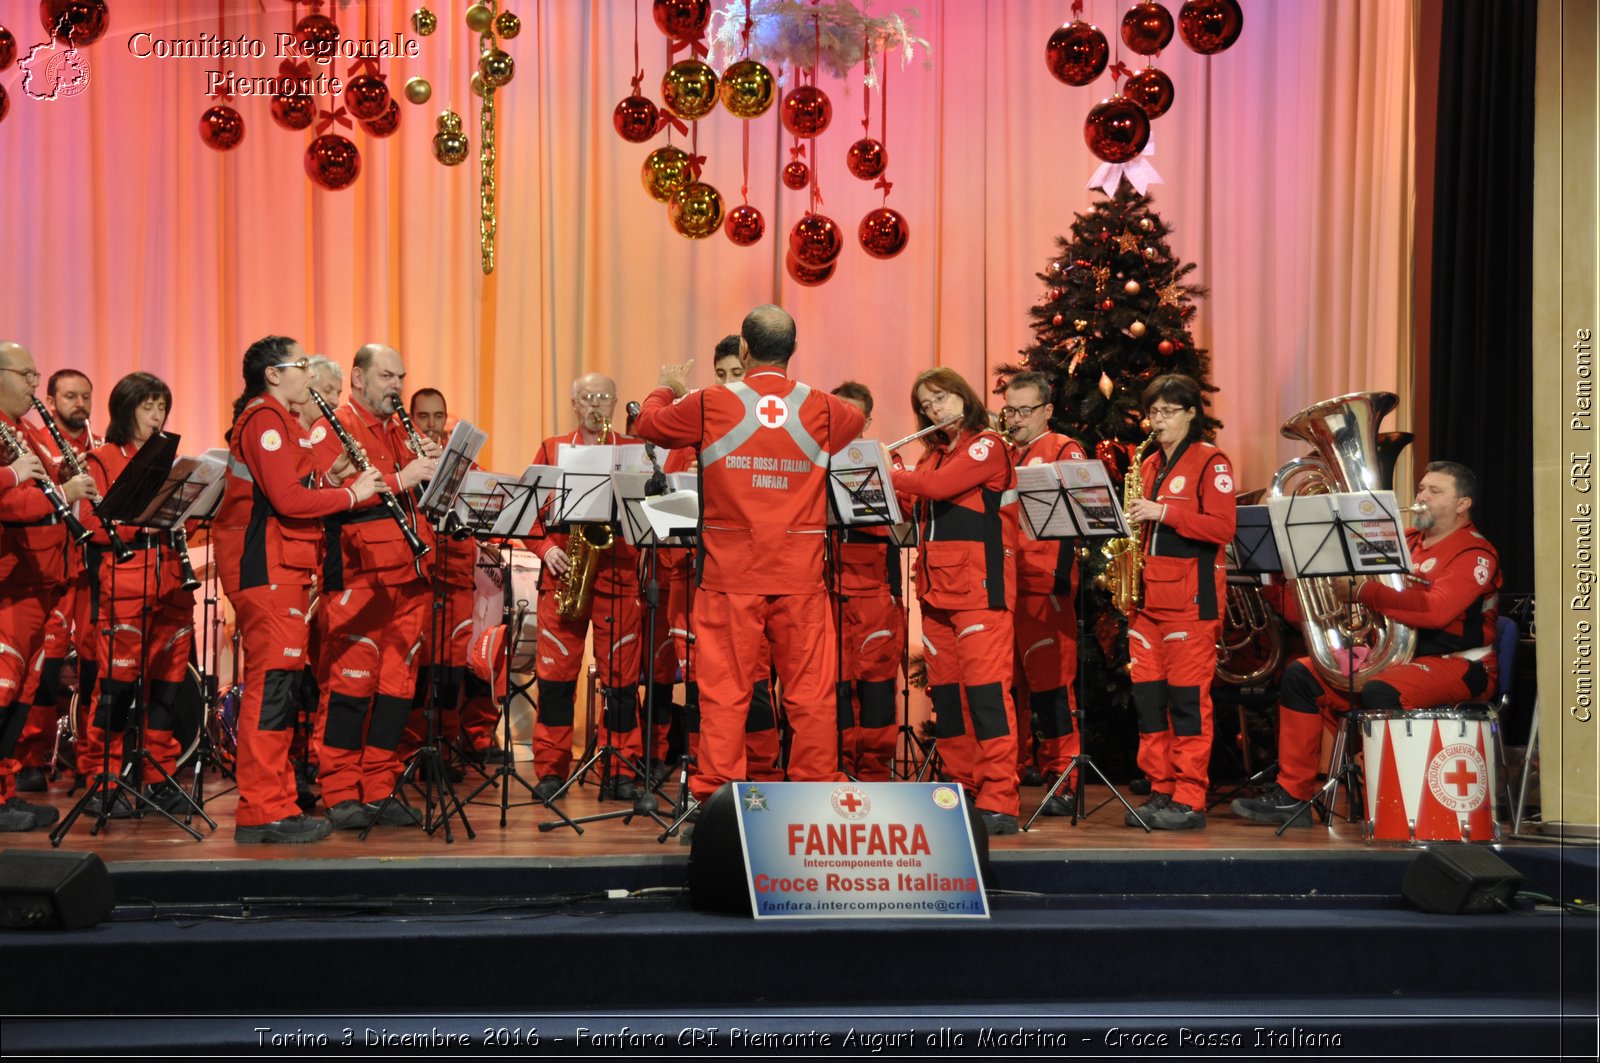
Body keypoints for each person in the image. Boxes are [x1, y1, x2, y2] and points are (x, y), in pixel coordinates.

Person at [635, 305, 865, 815]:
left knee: (723, 694)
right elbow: (856, 419)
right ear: (793, 351)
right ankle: (814, 803)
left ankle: (715, 803)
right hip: (801, 574)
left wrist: (666, 387)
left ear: (743, 349)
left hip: (729, 574)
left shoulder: (711, 402)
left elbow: (648, 425)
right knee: (810, 695)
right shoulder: (825, 408)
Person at [1233, 460, 1501, 828]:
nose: (1421, 496)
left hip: (1458, 664)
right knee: (1302, 675)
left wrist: (1364, 591)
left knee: (1379, 691)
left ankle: (1386, 799)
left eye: (1435, 491)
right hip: (1395, 659)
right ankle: (1293, 797)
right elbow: (1329, 601)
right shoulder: (1404, 541)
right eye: (1421, 488)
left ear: (1462, 505)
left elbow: (1437, 612)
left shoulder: (1475, 553)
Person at [215, 336, 382, 843]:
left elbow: (294, 488)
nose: (309, 373)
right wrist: (352, 495)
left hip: (284, 569)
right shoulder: (264, 419)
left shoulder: (282, 421)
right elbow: (286, 501)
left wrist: (332, 478)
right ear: (273, 374)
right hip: (266, 570)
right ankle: (261, 810)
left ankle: (279, 802)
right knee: (270, 695)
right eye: (301, 364)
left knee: (281, 695)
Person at [308, 343, 440, 830]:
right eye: (387, 377)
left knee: (396, 688)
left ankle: (380, 786)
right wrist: (403, 476)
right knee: (349, 686)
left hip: (411, 574)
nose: (397, 387)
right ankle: (340, 789)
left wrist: (436, 465)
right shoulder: (332, 426)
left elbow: (421, 495)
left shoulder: (401, 429)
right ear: (358, 379)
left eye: (401, 377)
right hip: (360, 576)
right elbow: (325, 493)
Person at [889, 368, 1021, 834]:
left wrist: (891, 470)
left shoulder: (987, 445)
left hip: (978, 591)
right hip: (936, 589)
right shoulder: (932, 457)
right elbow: (914, 503)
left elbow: (937, 490)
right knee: (947, 697)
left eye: (941, 399)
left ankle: (1000, 797)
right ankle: (960, 787)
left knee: (986, 696)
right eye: (926, 405)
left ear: (963, 396)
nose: (934, 410)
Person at [79, 372, 200, 818]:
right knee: (114, 691)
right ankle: (101, 777)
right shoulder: (102, 459)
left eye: (161, 407)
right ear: (124, 409)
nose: (156, 415)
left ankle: (158, 775)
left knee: (167, 690)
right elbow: (92, 528)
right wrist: (144, 518)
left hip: (171, 589)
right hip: (126, 588)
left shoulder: (171, 463)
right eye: (147, 406)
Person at [525, 372, 649, 802]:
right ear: (574, 404)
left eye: (603, 398)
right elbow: (528, 516)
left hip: (620, 575)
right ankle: (550, 770)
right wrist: (544, 550)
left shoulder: (635, 451)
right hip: (565, 574)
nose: (595, 406)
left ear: (616, 404)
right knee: (556, 680)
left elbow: (649, 517)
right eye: (587, 398)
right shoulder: (552, 447)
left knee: (621, 684)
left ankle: (619, 769)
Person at [1122, 374, 1237, 830]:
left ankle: (1190, 799)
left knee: (1188, 703)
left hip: (1191, 602)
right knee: (1150, 703)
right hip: (1147, 601)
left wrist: (1163, 512)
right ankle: (1161, 789)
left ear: (1192, 413)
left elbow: (1222, 528)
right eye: (1153, 412)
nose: (1158, 420)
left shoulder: (1212, 461)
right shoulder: (1148, 464)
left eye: (1168, 411)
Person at [0, 342, 96, 831]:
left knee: (22, 690)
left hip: (44, 575)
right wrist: (60, 492)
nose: (33, 386)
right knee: (3, 688)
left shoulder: (22, 430)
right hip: (13, 580)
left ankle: (6, 788)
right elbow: (13, 503)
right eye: (25, 375)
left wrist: (61, 476)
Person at [1001, 371, 1089, 814]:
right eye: (1009, 409)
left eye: (1024, 410)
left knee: (1053, 687)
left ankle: (1064, 778)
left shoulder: (1063, 449)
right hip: (1003, 584)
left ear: (1047, 411)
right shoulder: (1000, 451)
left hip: (1042, 584)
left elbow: (1083, 508)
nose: (1014, 419)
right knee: (1007, 688)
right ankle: (1008, 773)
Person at [830, 381, 905, 782]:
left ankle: (875, 770)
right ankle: (838, 765)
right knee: (835, 687)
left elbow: (904, 514)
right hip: (827, 588)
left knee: (876, 686)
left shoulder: (884, 459)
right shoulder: (810, 455)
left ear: (868, 420)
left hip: (875, 590)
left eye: (853, 415)